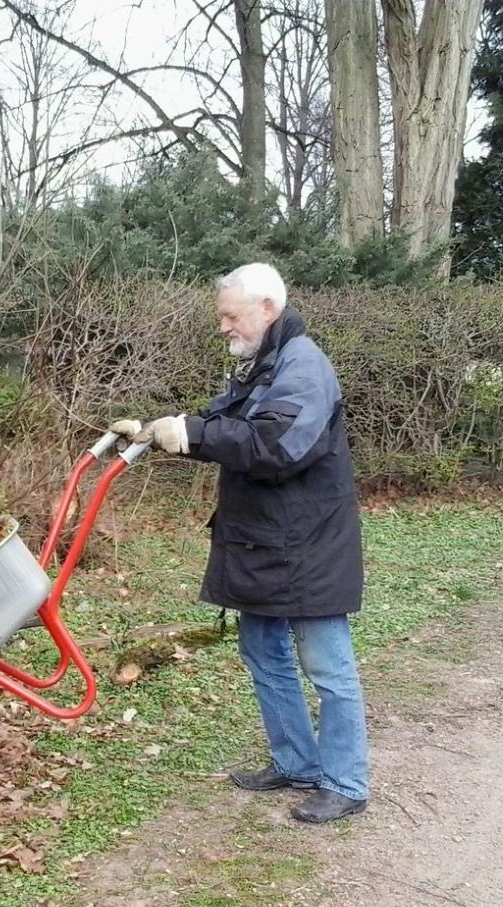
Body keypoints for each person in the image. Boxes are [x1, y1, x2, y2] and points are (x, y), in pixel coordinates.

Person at [108, 262, 369, 823]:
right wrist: (166, 427)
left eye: (231, 315)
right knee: (263, 651)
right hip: (265, 542)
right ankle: (297, 763)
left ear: (267, 307)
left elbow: (273, 444)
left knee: (327, 665)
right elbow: (227, 422)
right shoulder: (264, 364)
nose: (223, 326)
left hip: (307, 547)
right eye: (222, 316)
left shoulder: (303, 367)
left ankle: (346, 782)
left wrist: (194, 435)